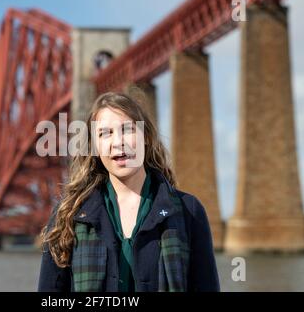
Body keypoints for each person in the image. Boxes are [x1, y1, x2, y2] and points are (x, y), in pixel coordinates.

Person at [38, 91, 220, 292]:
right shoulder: (68, 214)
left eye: (127, 129)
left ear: (146, 138)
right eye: (105, 133)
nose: (118, 142)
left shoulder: (188, 211)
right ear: (95, 148)